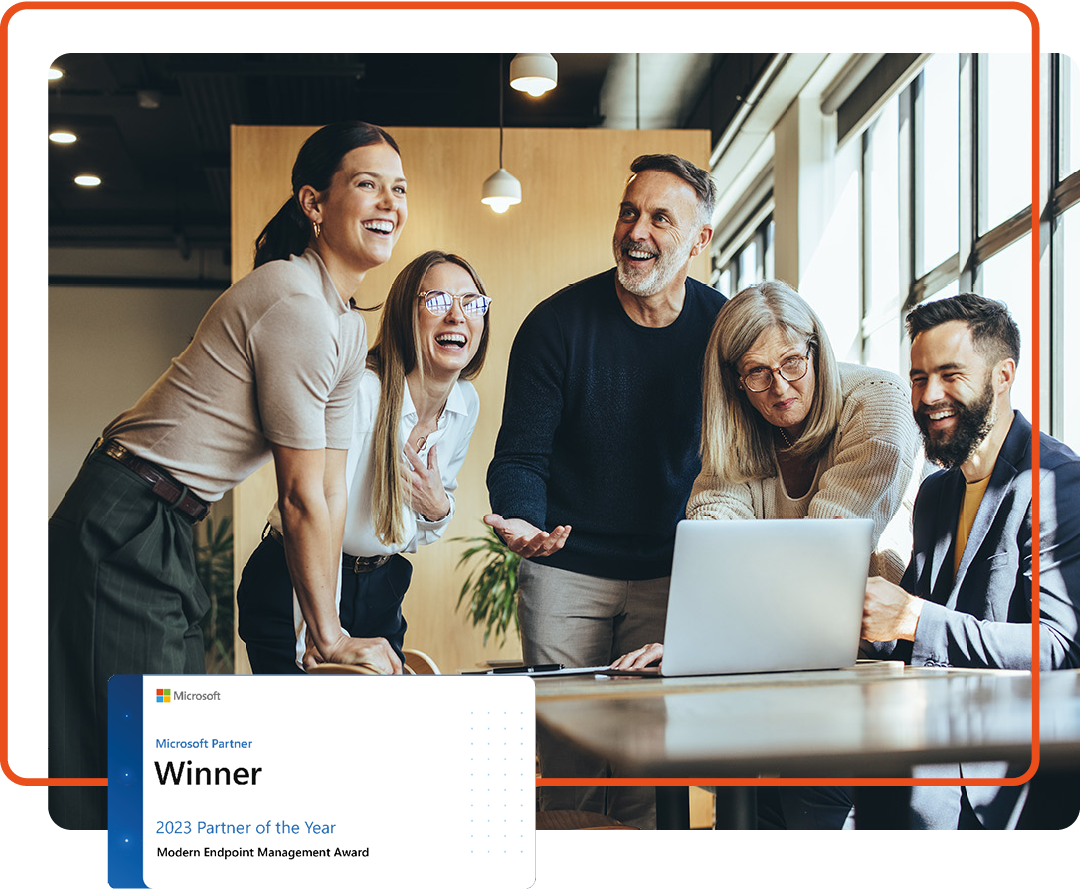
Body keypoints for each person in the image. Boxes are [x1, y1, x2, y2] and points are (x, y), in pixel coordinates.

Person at [48, 121, 407, 829]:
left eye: (398, 189)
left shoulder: (344, 325)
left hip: (170, 519)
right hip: (124, 513)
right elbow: (300, 495)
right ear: (313, 202)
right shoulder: (294, 302)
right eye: (366, 184)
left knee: (166, 751)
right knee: (126, 760)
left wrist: (321, 625)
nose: (389, 203)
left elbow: (331, 487)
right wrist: (329, 637)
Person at [611, 279, 922, 829]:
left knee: (807, 818)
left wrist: (713, 636)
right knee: (749, 812)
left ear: (817, 349)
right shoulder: (739, 427)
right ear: (735, 381)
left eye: (792, 364)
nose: (779, 388)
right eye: (756, 373)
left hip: (864, 655)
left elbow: (824, 555)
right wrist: (691, 642)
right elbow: (713, 534)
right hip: (775, 659)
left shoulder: (880, 402)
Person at [485, 153, 726, 828]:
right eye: (628, 212)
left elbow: (744, 461)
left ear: (699, 240)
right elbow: (521, 457)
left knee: (649, 769)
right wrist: (526, 523)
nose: (636, 231)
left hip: (671, 573)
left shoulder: (723, 330)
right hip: (567, 572)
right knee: (570, 764)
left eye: (659, 217)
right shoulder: (555, 325)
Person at [861, 292, 1080, 829]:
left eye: (950, 374)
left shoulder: (1056, 483)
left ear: (1003, 376)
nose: (929, 395)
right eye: (917, 377)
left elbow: (1058, 647)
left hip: (998, 769)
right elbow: (909, 632)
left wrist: (913, 617)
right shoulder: (937, 493)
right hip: (927, 733)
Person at [237, 250, 489, 673]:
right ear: (406, 316)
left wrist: (438, 508)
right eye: (438, 301)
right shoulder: (363, 393)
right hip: (300, 579)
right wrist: (319, 636)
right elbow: (316, 516)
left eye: (472, 302)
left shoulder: (465, 403)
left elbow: (413, 532)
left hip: (379, 584)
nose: (457, 316)